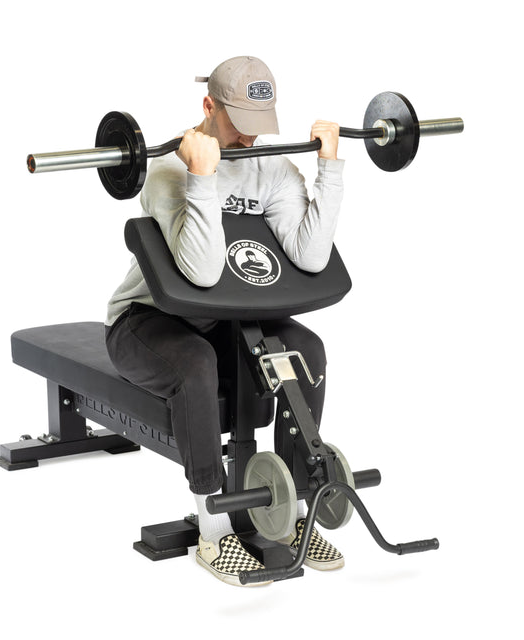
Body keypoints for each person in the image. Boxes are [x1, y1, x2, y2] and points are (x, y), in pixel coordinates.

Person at [105, 56, 345, 586]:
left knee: (308, 352)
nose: (251, 138)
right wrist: (202, 175)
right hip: (148, 320)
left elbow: (309, 256)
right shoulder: (169, 168)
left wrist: (329, 169)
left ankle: (292, 509)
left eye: (260, 123)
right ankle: (213, 527)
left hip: (228, 319)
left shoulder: (275, 168)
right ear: (208, 106)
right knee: (195, 366)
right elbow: (203, 272)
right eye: (238, 121)